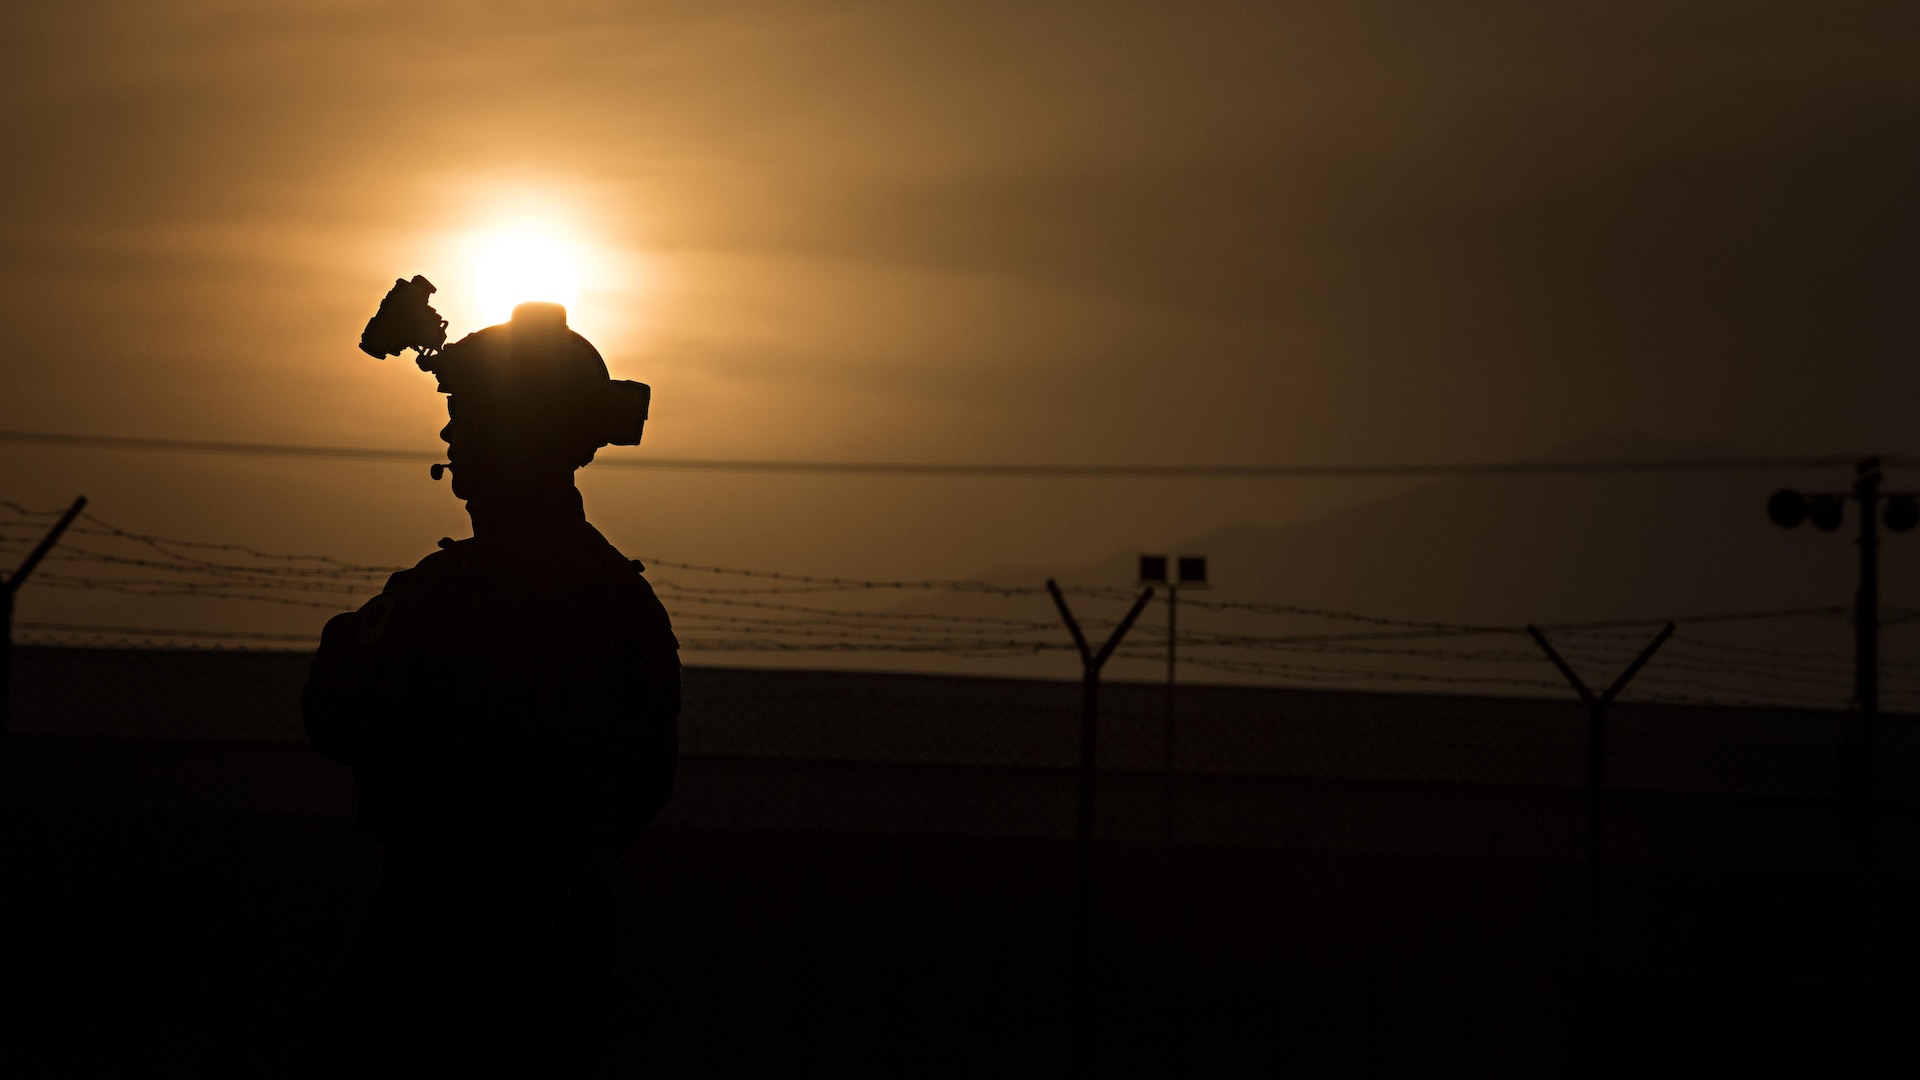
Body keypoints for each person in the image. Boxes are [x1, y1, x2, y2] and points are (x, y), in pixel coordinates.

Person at [298, 300, 679, 1076]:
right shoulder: (620, 598)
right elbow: (648, 777)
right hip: (569, 940)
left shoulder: (457, 594)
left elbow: (331, 711)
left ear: (514, 434)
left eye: (464, 414)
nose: (448, 435)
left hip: (437, 940)